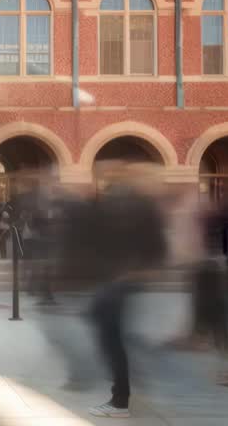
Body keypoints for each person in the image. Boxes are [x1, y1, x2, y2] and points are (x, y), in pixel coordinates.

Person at [85, 168, 168, 419]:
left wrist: (134, 273)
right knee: (104, 326)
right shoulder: (133, 206)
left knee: (112, 336)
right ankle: (123, 389)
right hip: (117, 278)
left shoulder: (144, 209)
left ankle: (120, 399)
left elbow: (157, 249)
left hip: (124, 280)